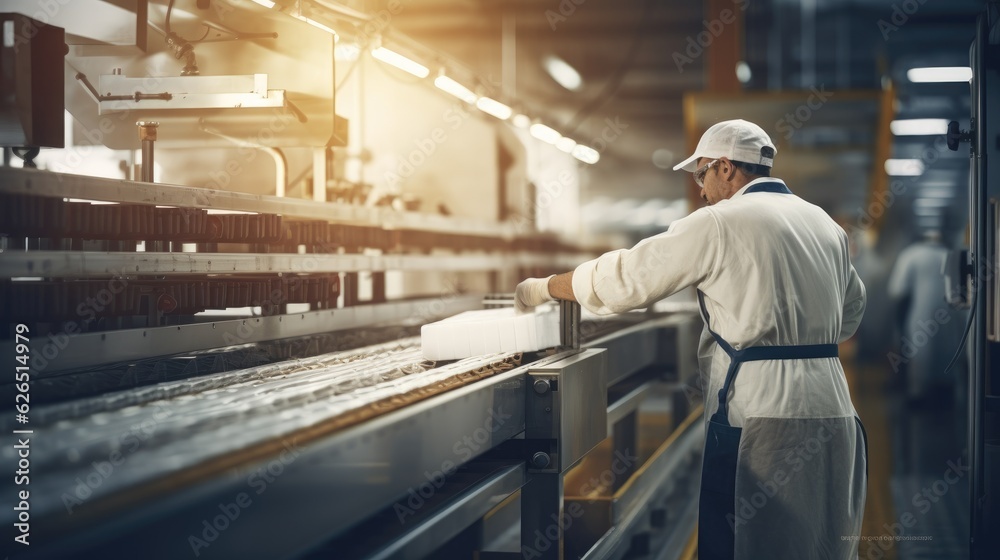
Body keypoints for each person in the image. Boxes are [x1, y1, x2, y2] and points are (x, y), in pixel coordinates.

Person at [515, 119, 868, 560]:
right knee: (824, 545)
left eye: (701, 174)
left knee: (754, 544)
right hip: (835, 406)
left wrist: (546, 287)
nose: (700, 189)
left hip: (762, 414)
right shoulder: (825, 226)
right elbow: (851, 312)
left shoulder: (719, 223)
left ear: (724, 167)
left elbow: (627, 279)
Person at [887, 229, 968, 404]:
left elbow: (897, 290)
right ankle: (946, 395)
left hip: (920, 315)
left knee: (921, 354)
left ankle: (919, 394)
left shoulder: (910, 255)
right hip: (948, 315)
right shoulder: (949, 254)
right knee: (947, 354)